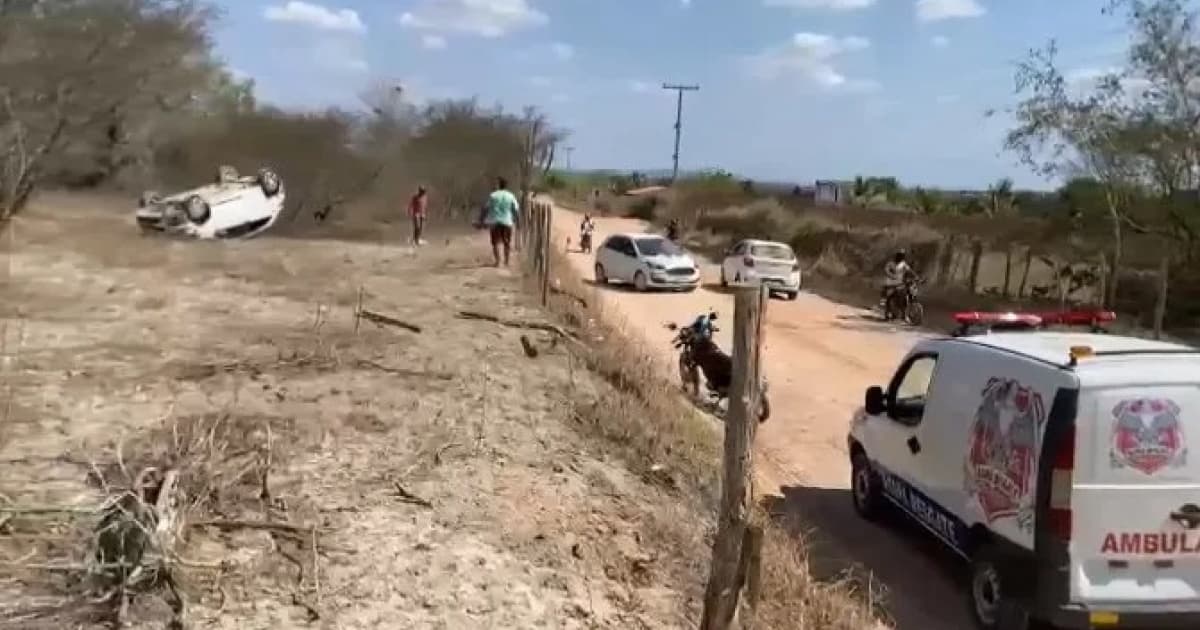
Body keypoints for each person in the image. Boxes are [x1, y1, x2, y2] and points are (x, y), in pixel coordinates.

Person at [481, 177, 520, 267]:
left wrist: (481, 220)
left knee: (495, 242)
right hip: (507, 221)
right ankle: (506, 261)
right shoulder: (511, 196)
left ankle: (498, 261)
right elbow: (516, 209)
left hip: (495, 221)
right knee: (507, 242)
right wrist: (518, 221)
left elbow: (485, 208)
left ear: (499, 185)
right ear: (506, 186)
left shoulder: (493, 195)